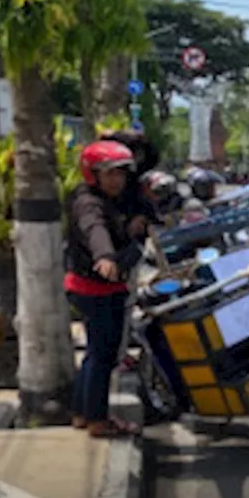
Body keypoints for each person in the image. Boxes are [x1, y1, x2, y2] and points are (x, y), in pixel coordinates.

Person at [65, 140, 147, 438]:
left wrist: (130, 230)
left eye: (121, 174)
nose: (117, 180)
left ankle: (81, 413)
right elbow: (94, 229)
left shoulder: (106, 199)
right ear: (93, 174)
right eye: (109, 174)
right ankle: (98, 420)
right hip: (95, 288)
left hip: (93, 287)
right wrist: (105, 257)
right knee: (104, 356)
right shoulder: (89, 203)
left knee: (94, 354)